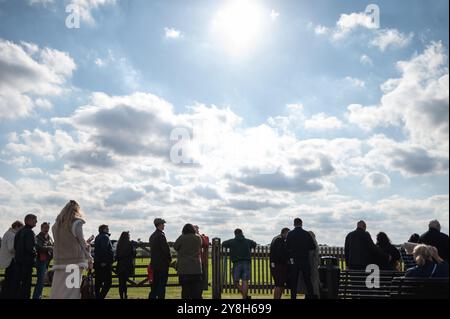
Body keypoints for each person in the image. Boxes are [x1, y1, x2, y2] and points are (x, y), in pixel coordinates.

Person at [50, 200, 93, 299]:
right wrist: (90, 258)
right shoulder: (76, 223)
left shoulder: (56, 226)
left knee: (58, 291)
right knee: (71, 293)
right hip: (74, 262)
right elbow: (82, 243)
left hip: (59, 262)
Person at [286, 218, 316, 299]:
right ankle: (311, 297)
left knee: (294, 282)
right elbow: (312, 247)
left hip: (294, 261)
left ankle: (293, 297)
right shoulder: (306, 234)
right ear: (301, 224)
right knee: (308, 281)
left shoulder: (290, 234)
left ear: (294, 224)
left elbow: (287, 247)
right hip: (304, 260)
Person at [222, 229, 257, 299]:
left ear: (235, 234)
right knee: (245, 281)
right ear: (242, 233)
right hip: (247, 263)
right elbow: (254, 244)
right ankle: (245, 297)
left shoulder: (231, 242)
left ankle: (244, 295)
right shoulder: (248, 241)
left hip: (236, 263)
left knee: (235, 282)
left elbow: (223, 244)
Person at [174, 224, 203, 299]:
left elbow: (175, 246)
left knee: (185, 290)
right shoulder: (198, 237)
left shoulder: (182, 237)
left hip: (184, 268)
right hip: (196, 268)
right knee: (196, 290)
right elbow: (200, 245)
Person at [14, 214, 37, 299]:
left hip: (18, 263)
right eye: (35, 219)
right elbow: (30, 248)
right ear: (29, 221)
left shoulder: (19, 231)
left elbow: (15, 246)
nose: (36, 222)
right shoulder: (29, 232)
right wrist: (35, 253)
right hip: (27, 264)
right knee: (26, 286)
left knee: (19, 286)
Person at [148, 218, 171, 299]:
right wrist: (169, 260)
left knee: (154, 286)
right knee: (161, 286)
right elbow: (166, 250)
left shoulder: (152, 236)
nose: (164, 225)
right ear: (159, 224)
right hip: (162, 265)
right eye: (163, 224)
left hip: (154, 264)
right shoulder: (161, 235)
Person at [0, 221, 23, 299]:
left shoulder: (8, 233)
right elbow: (11, 248)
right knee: (11, 282)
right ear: (16, 226)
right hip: (10, 261)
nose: (20, 231)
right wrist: (20, 250)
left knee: (8, 282)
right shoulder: (12, 235)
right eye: (20, 228)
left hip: (8, 261)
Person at [32, 222, 54, 299]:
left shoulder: (49, 237)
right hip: (40, 261)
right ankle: (36, 297)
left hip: (46, 261)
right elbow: (38, 247)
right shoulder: (38, 237)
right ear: (41, 228)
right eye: (45, 228)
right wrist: (49, 248)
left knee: (42, 280)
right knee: (41, 281)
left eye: (47, 228)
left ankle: (39, 296)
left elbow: (53, 245)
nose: (46, 229)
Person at [298, 231, 321, 298]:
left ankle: (311, 295)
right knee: (313, 282)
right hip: (314, 265)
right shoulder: (315, 244)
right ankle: (314, 294)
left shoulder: (310, 244)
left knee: (310, 282)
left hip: (311, 265)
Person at [94, 224, 114, 299]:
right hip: (104, 263)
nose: (108, 229)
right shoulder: (105, 237)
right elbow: (104, 249)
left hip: (98, 262)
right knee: (108, 283)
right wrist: (104, 261)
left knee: (98, 282)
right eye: (107, 228)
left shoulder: (98, 237)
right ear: (104, 229)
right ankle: (100, 297)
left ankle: (97, 296)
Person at [269, 228, 290, 299]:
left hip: (276, 265)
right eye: (288, 234)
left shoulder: (276, 238)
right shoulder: (279, 240)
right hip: (278, 266)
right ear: (285, 233)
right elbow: (280, 254)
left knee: (280, 284)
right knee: (279, 284)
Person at [116, 231, 136, 299]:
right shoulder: (129, 244)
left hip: (120, 265)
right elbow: (133, 254)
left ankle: (121, 296)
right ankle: (125, 295)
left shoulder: (119, 244)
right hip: (127, 266)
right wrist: (134, 247)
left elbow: (117, 256)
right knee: (124, 282)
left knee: (121, 282)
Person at [194, 225, 209, 293]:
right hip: (195, 261)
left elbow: (206, 243)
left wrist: (199, 235)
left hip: (200, 260)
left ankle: (200, 290)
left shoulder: (200, 237)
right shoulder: (191, 237)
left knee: (201, 277)